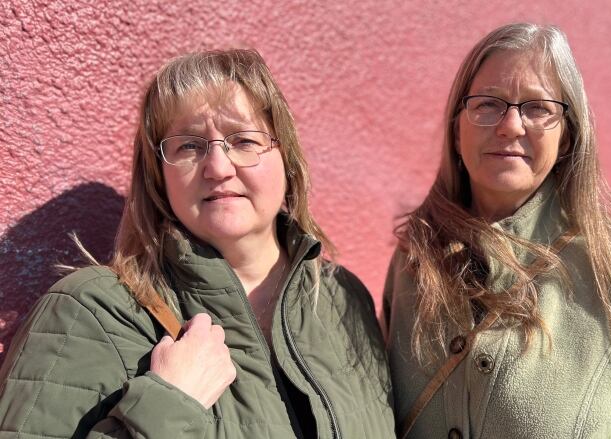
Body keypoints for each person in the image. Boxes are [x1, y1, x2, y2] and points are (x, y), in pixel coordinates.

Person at [0, 49, 395, 438]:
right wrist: (167, 407)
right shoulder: (91, 314)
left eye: (243, 141)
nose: (218, 168)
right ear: (159, 176)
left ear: (286, 158)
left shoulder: (343, 299)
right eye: (188, 146)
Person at [383, 23, 611, 438]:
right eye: (487, 104)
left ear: (567, 137)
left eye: (538, 108)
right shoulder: (415, 262)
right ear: (457, 128)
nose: (511, 126)